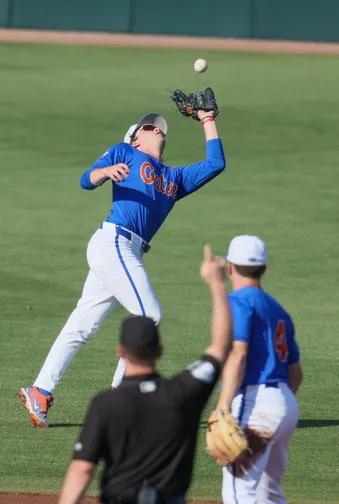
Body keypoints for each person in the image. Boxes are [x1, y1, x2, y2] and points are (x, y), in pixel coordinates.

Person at [50, 245, 231, 504]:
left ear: (120, 353)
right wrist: (216, 285)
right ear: (160, 353)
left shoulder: (106, 404)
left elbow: (80, 471)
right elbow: (220, 347)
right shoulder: (183, 393)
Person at [18, 101, 225, 427]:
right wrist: (104, 173)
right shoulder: (124, 153)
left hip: (126, 252)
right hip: (113, 243)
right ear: (135, 139)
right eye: (147, 126)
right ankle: (122, 402)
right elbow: (87, 179)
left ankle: (40, 391)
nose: (156, 128)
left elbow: (216, 164)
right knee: (150, 315)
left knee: (82, 324)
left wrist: (206, 118)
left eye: (158, 127)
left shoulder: (175, 178)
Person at [210, 235, 303, 504]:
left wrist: (222, 406)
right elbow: (296, 372)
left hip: (257, 401)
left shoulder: (236, 301)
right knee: (267, 485)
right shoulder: (278, 308)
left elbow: (239, 352)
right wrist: (280, 408)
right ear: (262, 268)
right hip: (284, 402)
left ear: (230, 267)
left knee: (236, 486)